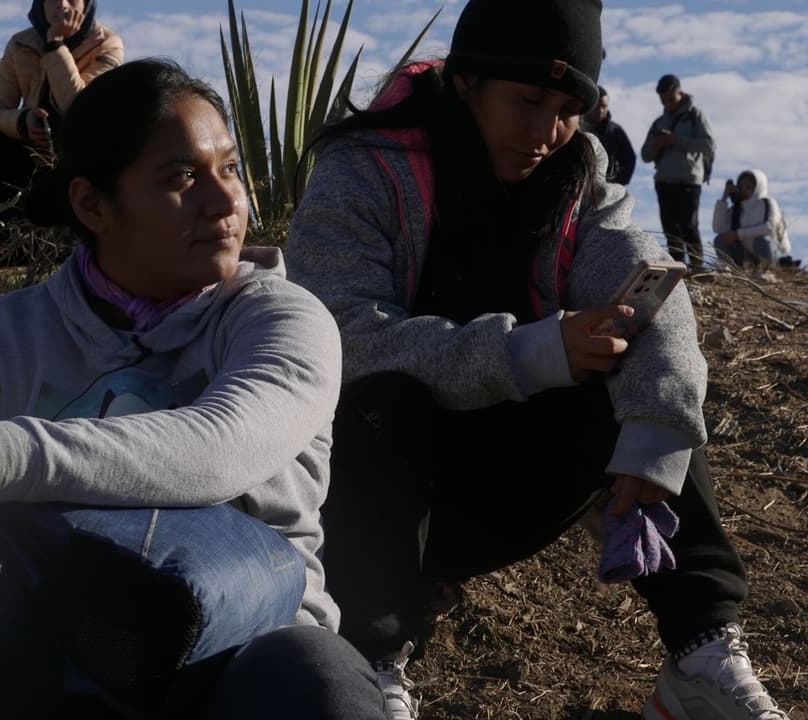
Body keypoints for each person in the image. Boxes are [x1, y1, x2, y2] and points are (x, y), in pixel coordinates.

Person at [0, 58, 393, 719]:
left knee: (321, 680)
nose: (226, 201)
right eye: (181, 178)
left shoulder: (285, 319)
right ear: (93, 204)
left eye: (229, 168)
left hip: (242, 655)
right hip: (48, 651)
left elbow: (221, 445)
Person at [287, 1, 787, 719]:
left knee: (645, 380)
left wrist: (651, 439)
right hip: (367, 505)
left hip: (501, 483)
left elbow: (652, 293)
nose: (545, 133)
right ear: (465, 83)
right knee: (380, 397)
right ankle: (370, 663)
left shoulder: (575, 175)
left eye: (566, 109)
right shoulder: (364, 170)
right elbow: (342, 339)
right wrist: (529, 352)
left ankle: (700, 651)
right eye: (526, 101)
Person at [0, 0, 123, 219]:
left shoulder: (107, 44)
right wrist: (22, 122)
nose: (62, 5)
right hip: (28, 145)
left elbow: (80, 109)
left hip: (74, 153)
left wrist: (54, 44)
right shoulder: (21, 43)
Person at [642, 74, 716, 272]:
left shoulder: (695, 116)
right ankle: (678, 270)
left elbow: (708, 145)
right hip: (664, 180)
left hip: (689, 180)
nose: (668, 104)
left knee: (689, 226)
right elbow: (645, 155)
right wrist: (658, 144)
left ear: (680, 93)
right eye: (663, 101)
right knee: (670, 229)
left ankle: (698, 268)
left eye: (671, 99)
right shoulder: (659, 122)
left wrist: (676, 140)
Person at [712, 169, 785, 280]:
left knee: (762, 240)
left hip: (770, 252)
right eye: (740, 187)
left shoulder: (768, 203)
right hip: (747, 256)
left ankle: (766, 270)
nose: (743, 190)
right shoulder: (736, 209)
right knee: (720, 239)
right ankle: (729, 270)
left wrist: (738, 234)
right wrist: (724, 198)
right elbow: (718, 228)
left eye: (748, 187)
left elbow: (769, 227)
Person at [584, 85, 635, 185]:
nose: (600, 111)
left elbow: (629, 159)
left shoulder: (615, 131)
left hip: (606, 184)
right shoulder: (577, 127)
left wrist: (616, 181)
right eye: (597, 106)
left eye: (604, 106)